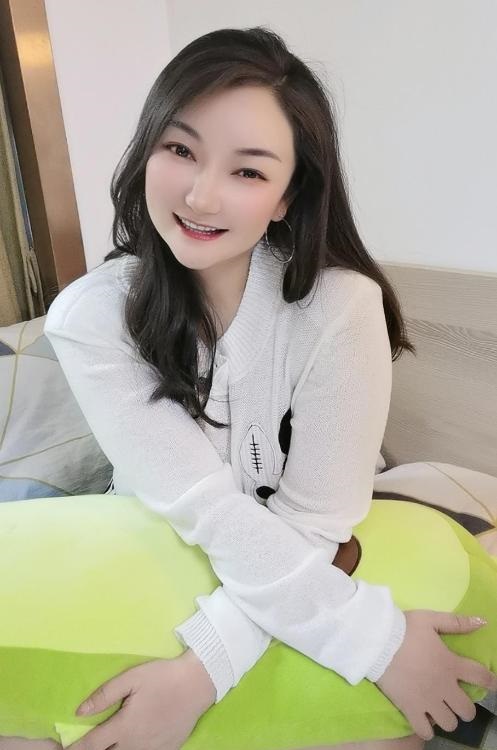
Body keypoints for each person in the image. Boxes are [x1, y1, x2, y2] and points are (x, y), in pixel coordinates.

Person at [29, 25, 495, 750]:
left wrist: (199, 674)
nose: (200, 195)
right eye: (180, 150)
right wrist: (379, 642)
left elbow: (316, 522)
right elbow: (206, 511)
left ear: (286, 195)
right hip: (159, 543)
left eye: (248, 172)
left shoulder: (340, 308)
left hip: (314, 549)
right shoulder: (91, 317)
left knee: (389, 735)